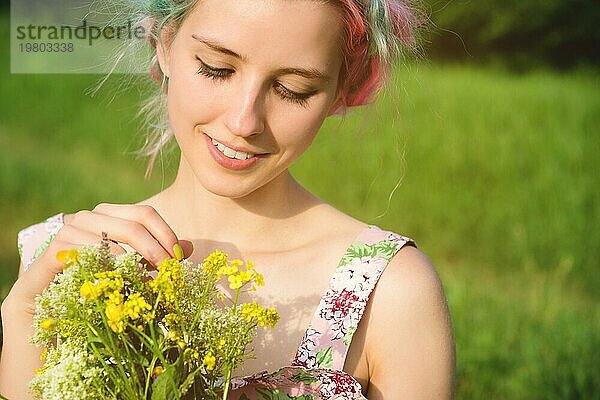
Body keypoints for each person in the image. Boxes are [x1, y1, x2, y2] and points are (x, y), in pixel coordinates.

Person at [0, 0, 455, 398]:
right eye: (217, 68)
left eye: (292, 90)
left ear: (341, 91)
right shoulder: (57, 265)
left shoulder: (388, 291)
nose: (244, 120)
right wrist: (22, 319)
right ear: (164, 44)